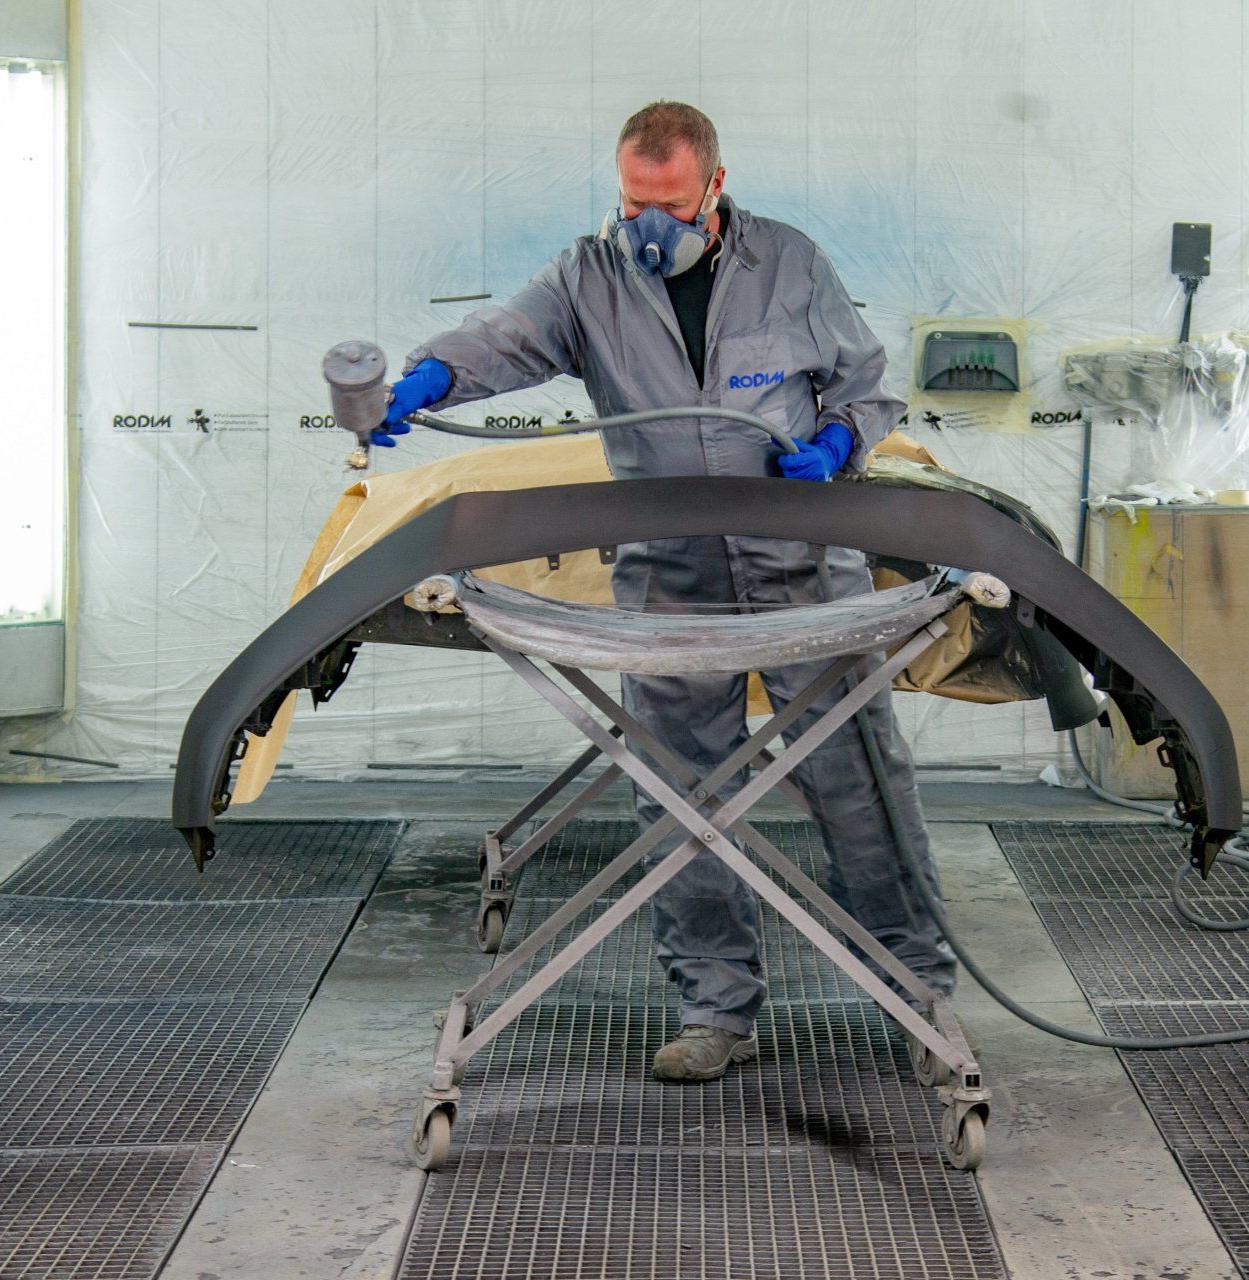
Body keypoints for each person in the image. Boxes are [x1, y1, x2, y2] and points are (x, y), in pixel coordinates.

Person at [379, 100, 955, 1081]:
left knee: (859, 789)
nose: (650, 228)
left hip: (802, 564)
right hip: (671, 572)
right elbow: (505, 339)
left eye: (671, 206)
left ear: (715, 190)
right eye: (633, 203)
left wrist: (836, 442)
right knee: (683, 794)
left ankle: (920, 999)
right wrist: (427, 375)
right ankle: (715, 1007)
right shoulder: (589, 276)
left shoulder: (793, 263)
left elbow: (865, 383)